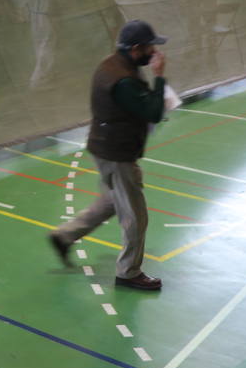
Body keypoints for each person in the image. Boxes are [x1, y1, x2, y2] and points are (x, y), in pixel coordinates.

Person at [49, 20, 169, 291]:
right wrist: (159, 77)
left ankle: (65, 236)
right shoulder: (123, 79)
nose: (154, 51)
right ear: (137, 49)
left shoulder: (112, 64)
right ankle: (128, 272)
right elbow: (153, 112)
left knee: (111, 201)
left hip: (105, 147)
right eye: (150, 46)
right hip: (117, 154)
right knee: (136, 216)